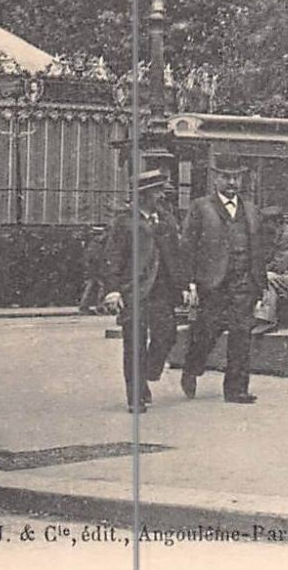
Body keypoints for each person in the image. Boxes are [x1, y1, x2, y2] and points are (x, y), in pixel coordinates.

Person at [101, 169, 188, 413]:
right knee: (134, 345)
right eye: (157, 191)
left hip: (162, 290)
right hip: (134, 291)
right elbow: (112, 258)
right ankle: (136, 397)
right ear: (144, 194)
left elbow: (178, 255)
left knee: (167, 334)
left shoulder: (167, 218)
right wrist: (113, 290)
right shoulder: (124, 222)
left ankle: (150, 370)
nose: (162, 194)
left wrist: (185, 285)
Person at [180, 162, 263, 404]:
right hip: (213, 282)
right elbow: (188, 246)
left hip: (244, 282)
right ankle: (192, 367)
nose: (232, 183)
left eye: (237, 177)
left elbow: (258, 248)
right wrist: (190, 282)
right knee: (207, 331)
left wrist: (261, 283)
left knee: (241, 334)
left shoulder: (251, 209)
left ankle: (236, 389)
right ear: (215, 179)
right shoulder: (201, 207)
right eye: (226, 177)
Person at [77, 226, 108, 314]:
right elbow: (96, 259)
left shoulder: (93, 245)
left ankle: (84, 307)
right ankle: (100, 307)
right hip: (96, 270)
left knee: (90, 288)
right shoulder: (96, 245)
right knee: (101, 287)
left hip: (93, 270)